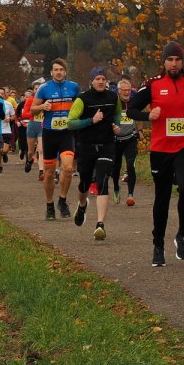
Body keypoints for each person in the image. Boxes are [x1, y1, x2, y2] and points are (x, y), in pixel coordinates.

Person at [130, 43, 184, 267]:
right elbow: (131, 109)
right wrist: (148, 115)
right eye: (170, 60)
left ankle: (182, 234)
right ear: (163, 62)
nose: (174, 64)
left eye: (177, 60)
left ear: (182, 61)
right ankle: (158, 245)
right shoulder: (152, 84)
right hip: (161, 149)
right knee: (162, 198)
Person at [67, 67, 121, 241]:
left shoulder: (113, 97)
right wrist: (91, 120)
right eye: (97, 79)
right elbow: (70, 123)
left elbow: (117, 114)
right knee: (84, 183)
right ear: (91, 81)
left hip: (107, 144)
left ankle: (100, 225)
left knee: (103, 181)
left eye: (103, 79)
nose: (101, 82)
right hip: (86, 146)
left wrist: (117, 126)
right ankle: (82, 205)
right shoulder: (82, 99)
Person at [32, 59, 80, 220]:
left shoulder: (74, 87)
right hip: (49, 133)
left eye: (61, 69)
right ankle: (49, 205)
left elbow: (80, 107)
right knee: (49, 173)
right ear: (51, 72)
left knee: (68, 168)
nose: (58, 72)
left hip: (67, 133)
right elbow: (32, 109)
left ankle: (62, 200)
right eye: (56, 70)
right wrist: (42, 107)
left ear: (65, 72)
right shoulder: (44, 88)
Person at [114, 78, 141, 207]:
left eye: (128, 90)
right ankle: (116, 188)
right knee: (116, 167)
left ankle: (130, 195)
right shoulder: (114, 102)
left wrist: (140, 130)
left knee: (130, 166)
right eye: (124, 90)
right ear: (119, 91)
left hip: (131, 138)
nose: (126, 92)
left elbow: (139, 116)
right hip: (116, 140)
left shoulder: (134, 102)